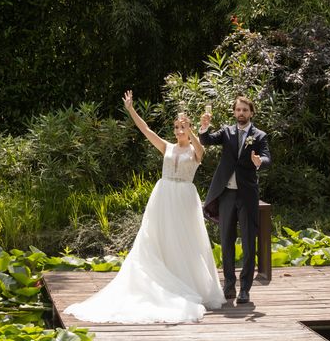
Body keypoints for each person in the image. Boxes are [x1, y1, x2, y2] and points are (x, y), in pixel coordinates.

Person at [64, 90, 224, 323]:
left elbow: (201, 151)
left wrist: (192, 130)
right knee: (158, 239)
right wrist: (131, 110)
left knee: (185, 241)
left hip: (184, 198)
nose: (180, 131)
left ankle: (187, 282)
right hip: (164, 196)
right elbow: (146, 130)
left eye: (184, 127)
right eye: (177, 128)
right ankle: (160, 281)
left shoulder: (195, 150)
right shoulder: (167, 147)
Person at [199, 96, 271, 305]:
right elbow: (207, 140)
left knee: (249, 242)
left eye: (245, 110)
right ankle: (229, 285)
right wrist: (203, 128)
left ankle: (245, 289)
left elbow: (267, 158)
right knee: (226, 241)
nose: (241, 113)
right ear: (234, 112)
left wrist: (259, 161)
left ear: (251, 113)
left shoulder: (259, 136)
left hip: (247, 196)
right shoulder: (226, 132)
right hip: (227, 195)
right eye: (238, 110)